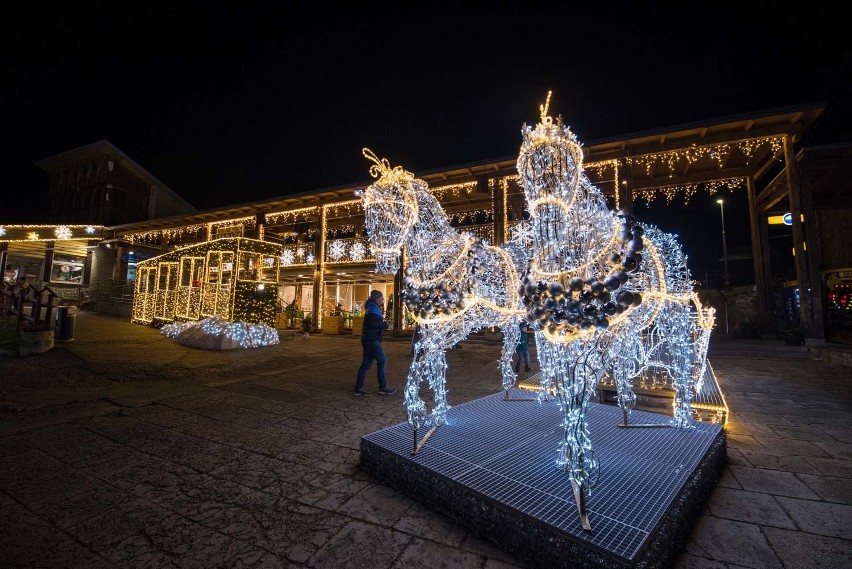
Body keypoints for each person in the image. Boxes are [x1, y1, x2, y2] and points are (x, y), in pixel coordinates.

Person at [354, 290, 396, 396]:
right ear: (377, 299)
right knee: (382, 360)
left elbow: (374, 323)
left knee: (366, 364)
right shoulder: (373, 309)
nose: (383, 299)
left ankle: (359, 388)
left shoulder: (371, 307)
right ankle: (383, 387)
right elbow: (374, 323)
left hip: (368, 339)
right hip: (372, 340)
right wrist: (385, 325)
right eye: (381, 298)